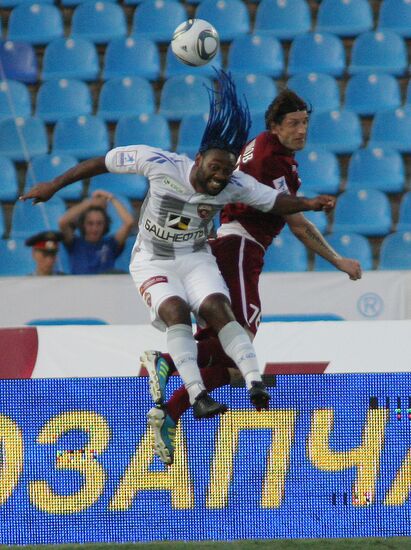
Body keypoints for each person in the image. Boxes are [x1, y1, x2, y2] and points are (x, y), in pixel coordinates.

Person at [20, 70, 335, 463]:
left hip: (195, 254)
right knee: (201, 321)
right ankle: (184, 384)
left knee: (224, 324)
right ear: (199, 159)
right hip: (166, 255)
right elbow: (102, 162)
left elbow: (273, 202)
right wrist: (53, 185)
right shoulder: (160, 161)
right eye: (215, 168)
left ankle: (203, 390)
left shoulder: (235, 180)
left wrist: (308, 203)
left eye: (227, 170)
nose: (220, 178)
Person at [140, 88, 363, 465]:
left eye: (305, 122)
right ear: (274, 126)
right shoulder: (273, 162)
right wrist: (337, 260)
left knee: (229, 364)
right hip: (239, 248)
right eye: (292, 123)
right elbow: (298, 224)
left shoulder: (258, 147)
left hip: (227, 247)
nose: (301, 130)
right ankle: (166, 362)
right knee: (238, 340)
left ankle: (170, 413)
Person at [58, 189, 134, 274]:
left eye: (99, 224)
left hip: (105, 286)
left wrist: (111, 198)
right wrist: (90, 202)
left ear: (105, 225)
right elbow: (62, 222)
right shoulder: (74, 243)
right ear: (83, 224)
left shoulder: (111, 244)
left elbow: (129, 222)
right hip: (79, 286)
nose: (95, 228)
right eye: (90, 223)